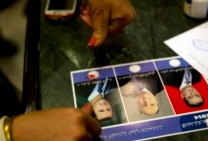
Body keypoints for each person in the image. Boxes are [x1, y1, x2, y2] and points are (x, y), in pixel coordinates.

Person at [1, 0, 137, 140]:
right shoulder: (111, 89)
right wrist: (13, 132)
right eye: (108, 109)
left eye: (101, 110)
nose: (105, 106)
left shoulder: (80, 94)